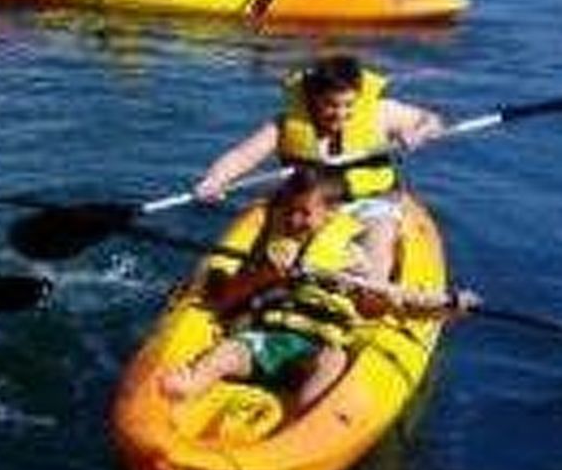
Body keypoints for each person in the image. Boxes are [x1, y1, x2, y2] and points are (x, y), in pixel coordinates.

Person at [160, 168, 450, 409]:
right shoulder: (271, 252)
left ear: (331, 215)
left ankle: (305, 411)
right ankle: (191, 384)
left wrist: (441, 306)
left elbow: (376, 304)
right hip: (263, 342)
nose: (294, 220)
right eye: (288, 211)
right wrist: (265, 275)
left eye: (304, 213)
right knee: (227, 352)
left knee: (332, 360)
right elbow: (227, 299)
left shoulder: (352, 260)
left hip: (314, 349)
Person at [193, 54, 444, 281]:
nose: (340, 114)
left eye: (348, 105)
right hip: (306, 207)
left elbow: (432, 120)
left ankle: (368, 295)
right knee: (278, 256)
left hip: (371, 202)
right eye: (331, 105)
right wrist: (215, 179)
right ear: (313, 99)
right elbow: (242, 155)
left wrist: (419, 132)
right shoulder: (285, 124)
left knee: (378, 243)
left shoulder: (382, 112)